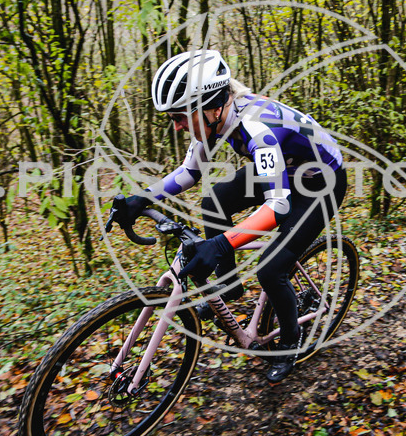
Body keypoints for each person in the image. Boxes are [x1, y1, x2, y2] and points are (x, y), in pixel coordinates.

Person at [111, 49, 347, 382]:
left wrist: (223, 244)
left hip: (322, 182)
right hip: (291, 170)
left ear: (210, 106)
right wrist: (141, 198)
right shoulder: (215, 119)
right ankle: (230, 287)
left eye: (179, 116)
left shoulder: (256, 127)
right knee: (214, 203)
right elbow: (189, 172)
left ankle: (290, 344)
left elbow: (278, 205)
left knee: (271, 268)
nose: (177, 127)